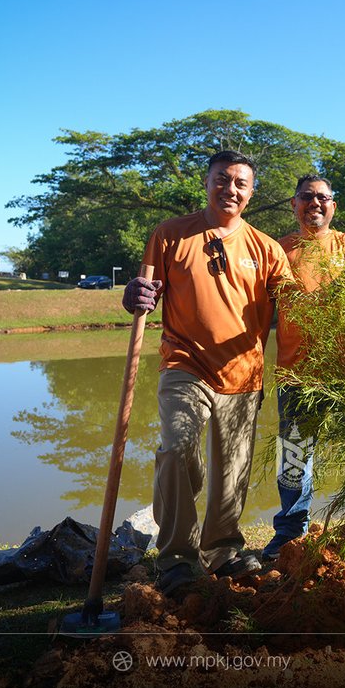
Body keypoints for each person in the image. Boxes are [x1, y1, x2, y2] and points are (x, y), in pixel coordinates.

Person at [122, 149, 292, 595]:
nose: (230, 188)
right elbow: (146, 290)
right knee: (177, 449)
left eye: (240, 182)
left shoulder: (267, 249)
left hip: (244, 370)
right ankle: (177, 556)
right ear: (207, 182)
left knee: (233, 472)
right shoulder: (170, 235)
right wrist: (134, 294)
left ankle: (222, 551)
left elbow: (294, 306)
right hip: (185, 364)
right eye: (222, 179)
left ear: (251, 192)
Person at [262, 174, 345, 564]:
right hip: (298, 374)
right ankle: (290, 533)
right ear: (294, 203)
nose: (315, 203)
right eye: (307, 197)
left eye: (323, 197)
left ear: (334, 205)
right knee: (295, 457)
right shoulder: (277, 250)